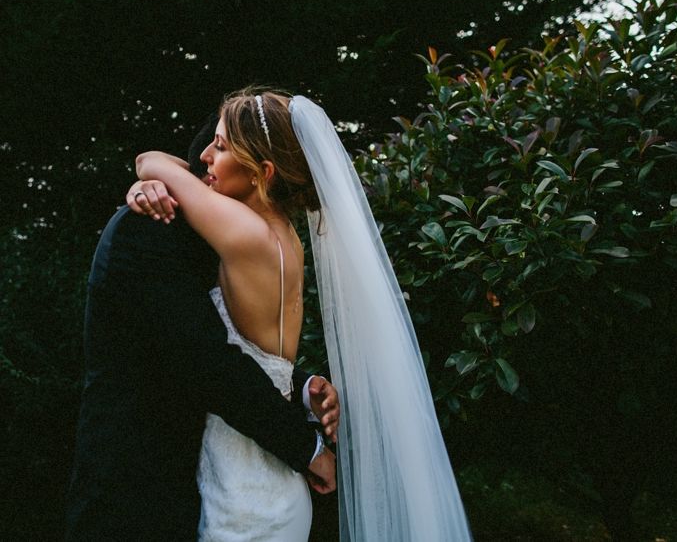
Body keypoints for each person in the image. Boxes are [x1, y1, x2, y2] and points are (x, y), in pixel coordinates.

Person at [131, 89, 473, 541]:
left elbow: (150, 161)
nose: (206, 158)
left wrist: (147, 182)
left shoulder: (245, 235)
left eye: (221, 145)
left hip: (245, 495)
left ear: (262, 173)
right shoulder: (283, 237)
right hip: (273, 483)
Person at [65, 112, 338, 542]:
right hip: (135, 482)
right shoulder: (148, 229)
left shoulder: (224, 240)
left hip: (207, 484)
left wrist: (302, 386)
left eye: (223, 146)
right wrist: (308, 449)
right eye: (213, 148)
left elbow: (224, 340)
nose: (212, 158)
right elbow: (206, 359)